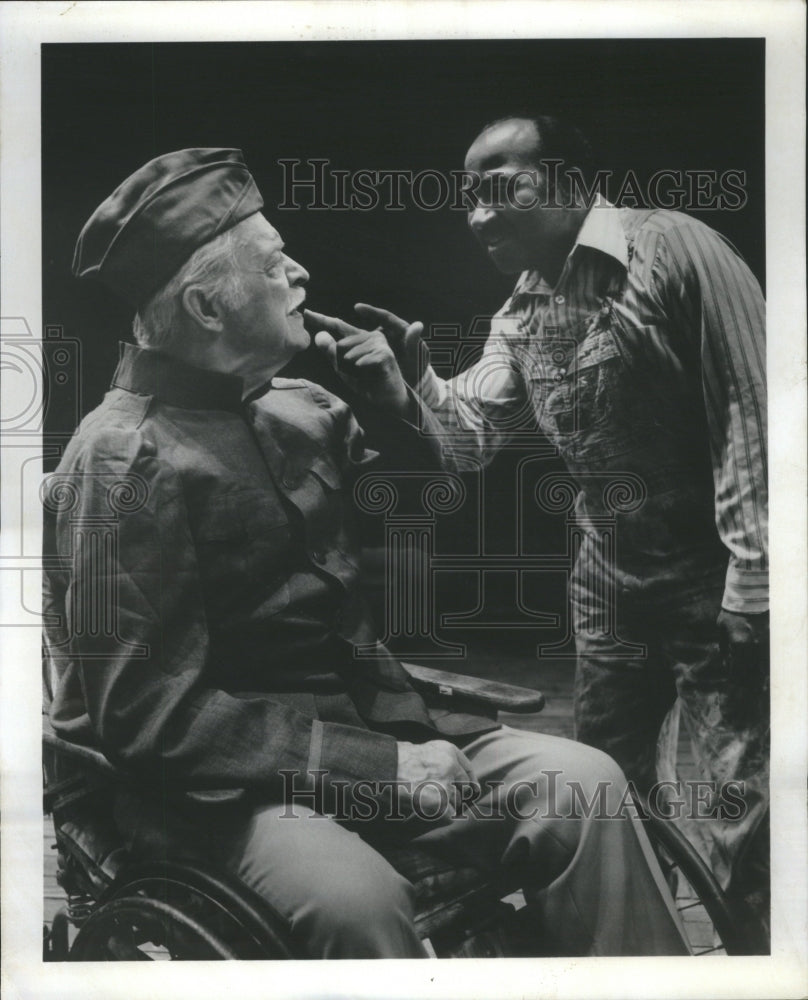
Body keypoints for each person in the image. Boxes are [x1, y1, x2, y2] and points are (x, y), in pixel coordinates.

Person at [43, 147, 690, 959]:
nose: (301, 275)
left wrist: (403, 402)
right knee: (359, 901)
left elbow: (433, 539)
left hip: (376, 732)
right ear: (209, 306)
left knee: (586, 786)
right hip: (212, 789)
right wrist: (379, 769)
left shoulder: (301, 410)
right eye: (276, 265)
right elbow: (151, 718)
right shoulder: (119, 461)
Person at [339, 116, 769, 936]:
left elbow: (755, 413)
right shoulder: (525, 310)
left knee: (736, 806)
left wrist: (756, 584)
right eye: (468, 197)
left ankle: (749, 959)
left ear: (569, 182)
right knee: (607, 783)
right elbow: (470, 441)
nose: (477, 214)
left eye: (499, 187)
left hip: (714, 576)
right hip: (610, 581)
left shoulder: (678, 252)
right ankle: (635, 944)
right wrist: (412, 384)